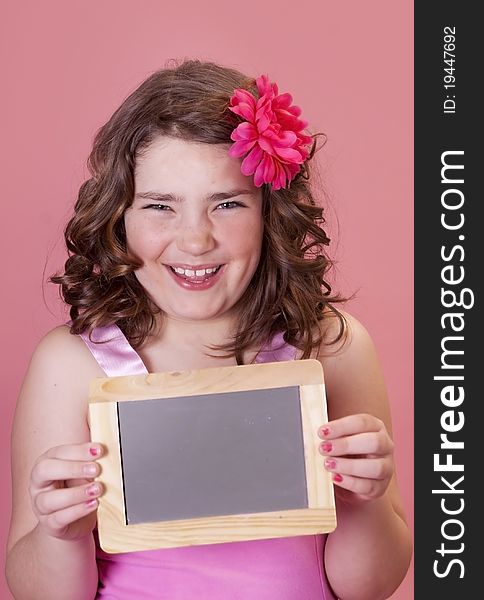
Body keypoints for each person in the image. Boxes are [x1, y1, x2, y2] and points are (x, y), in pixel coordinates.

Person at [5, 59, 412, 600]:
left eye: (226, 203)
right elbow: (38, 589)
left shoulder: (332, 347)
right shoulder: (70, 366)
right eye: (159, 206)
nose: (195, 240)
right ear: (117, 217)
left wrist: (366, 501)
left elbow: (367, 586)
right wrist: (60, 533)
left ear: (270, 213)